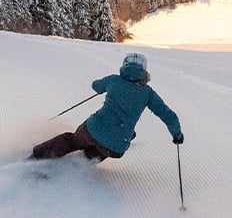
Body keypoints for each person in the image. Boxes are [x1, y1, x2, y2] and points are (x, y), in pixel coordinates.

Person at [31, 52, 183, 162]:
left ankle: (37, 156)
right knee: (111, 143)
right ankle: (79, 165)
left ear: (124, 65)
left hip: (93, 130)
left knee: (72, 141)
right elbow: (169, 116)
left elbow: (95, 85)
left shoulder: (114, 80)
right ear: (144, 72)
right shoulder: (148, 93)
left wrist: (104, 88)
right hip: (117, 148)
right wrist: (177, 135)